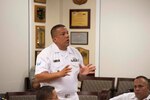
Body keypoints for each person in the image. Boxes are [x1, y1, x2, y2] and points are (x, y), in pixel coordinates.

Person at [35, 24, 96, 100]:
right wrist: (59, 74)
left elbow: (79, 78)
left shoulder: (75, 52)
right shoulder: (45, 54)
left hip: (73, 96)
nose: (67, 36)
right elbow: (39, 77)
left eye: (67, 33)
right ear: (55, 39)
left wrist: (82, 75)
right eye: (63, 34)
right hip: (55, 97)